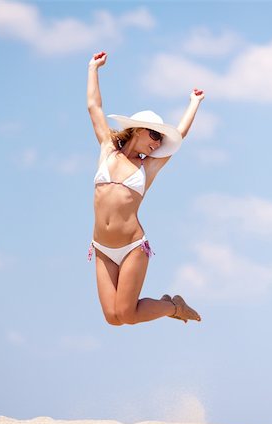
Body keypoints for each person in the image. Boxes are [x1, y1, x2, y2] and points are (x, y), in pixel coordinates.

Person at [87, 51, 204, 327]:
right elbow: (94, 107)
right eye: (154, 135)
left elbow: (181, 135)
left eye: (160, 138)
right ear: (138, 130)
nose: (157, 143)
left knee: (127, 315)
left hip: (132, 247)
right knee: (113, 318)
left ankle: (172, 306)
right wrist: (93, 69)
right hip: (102, 247)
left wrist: (194, 102)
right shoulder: (107, 150)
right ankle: (170, 306)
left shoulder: (146, 168)